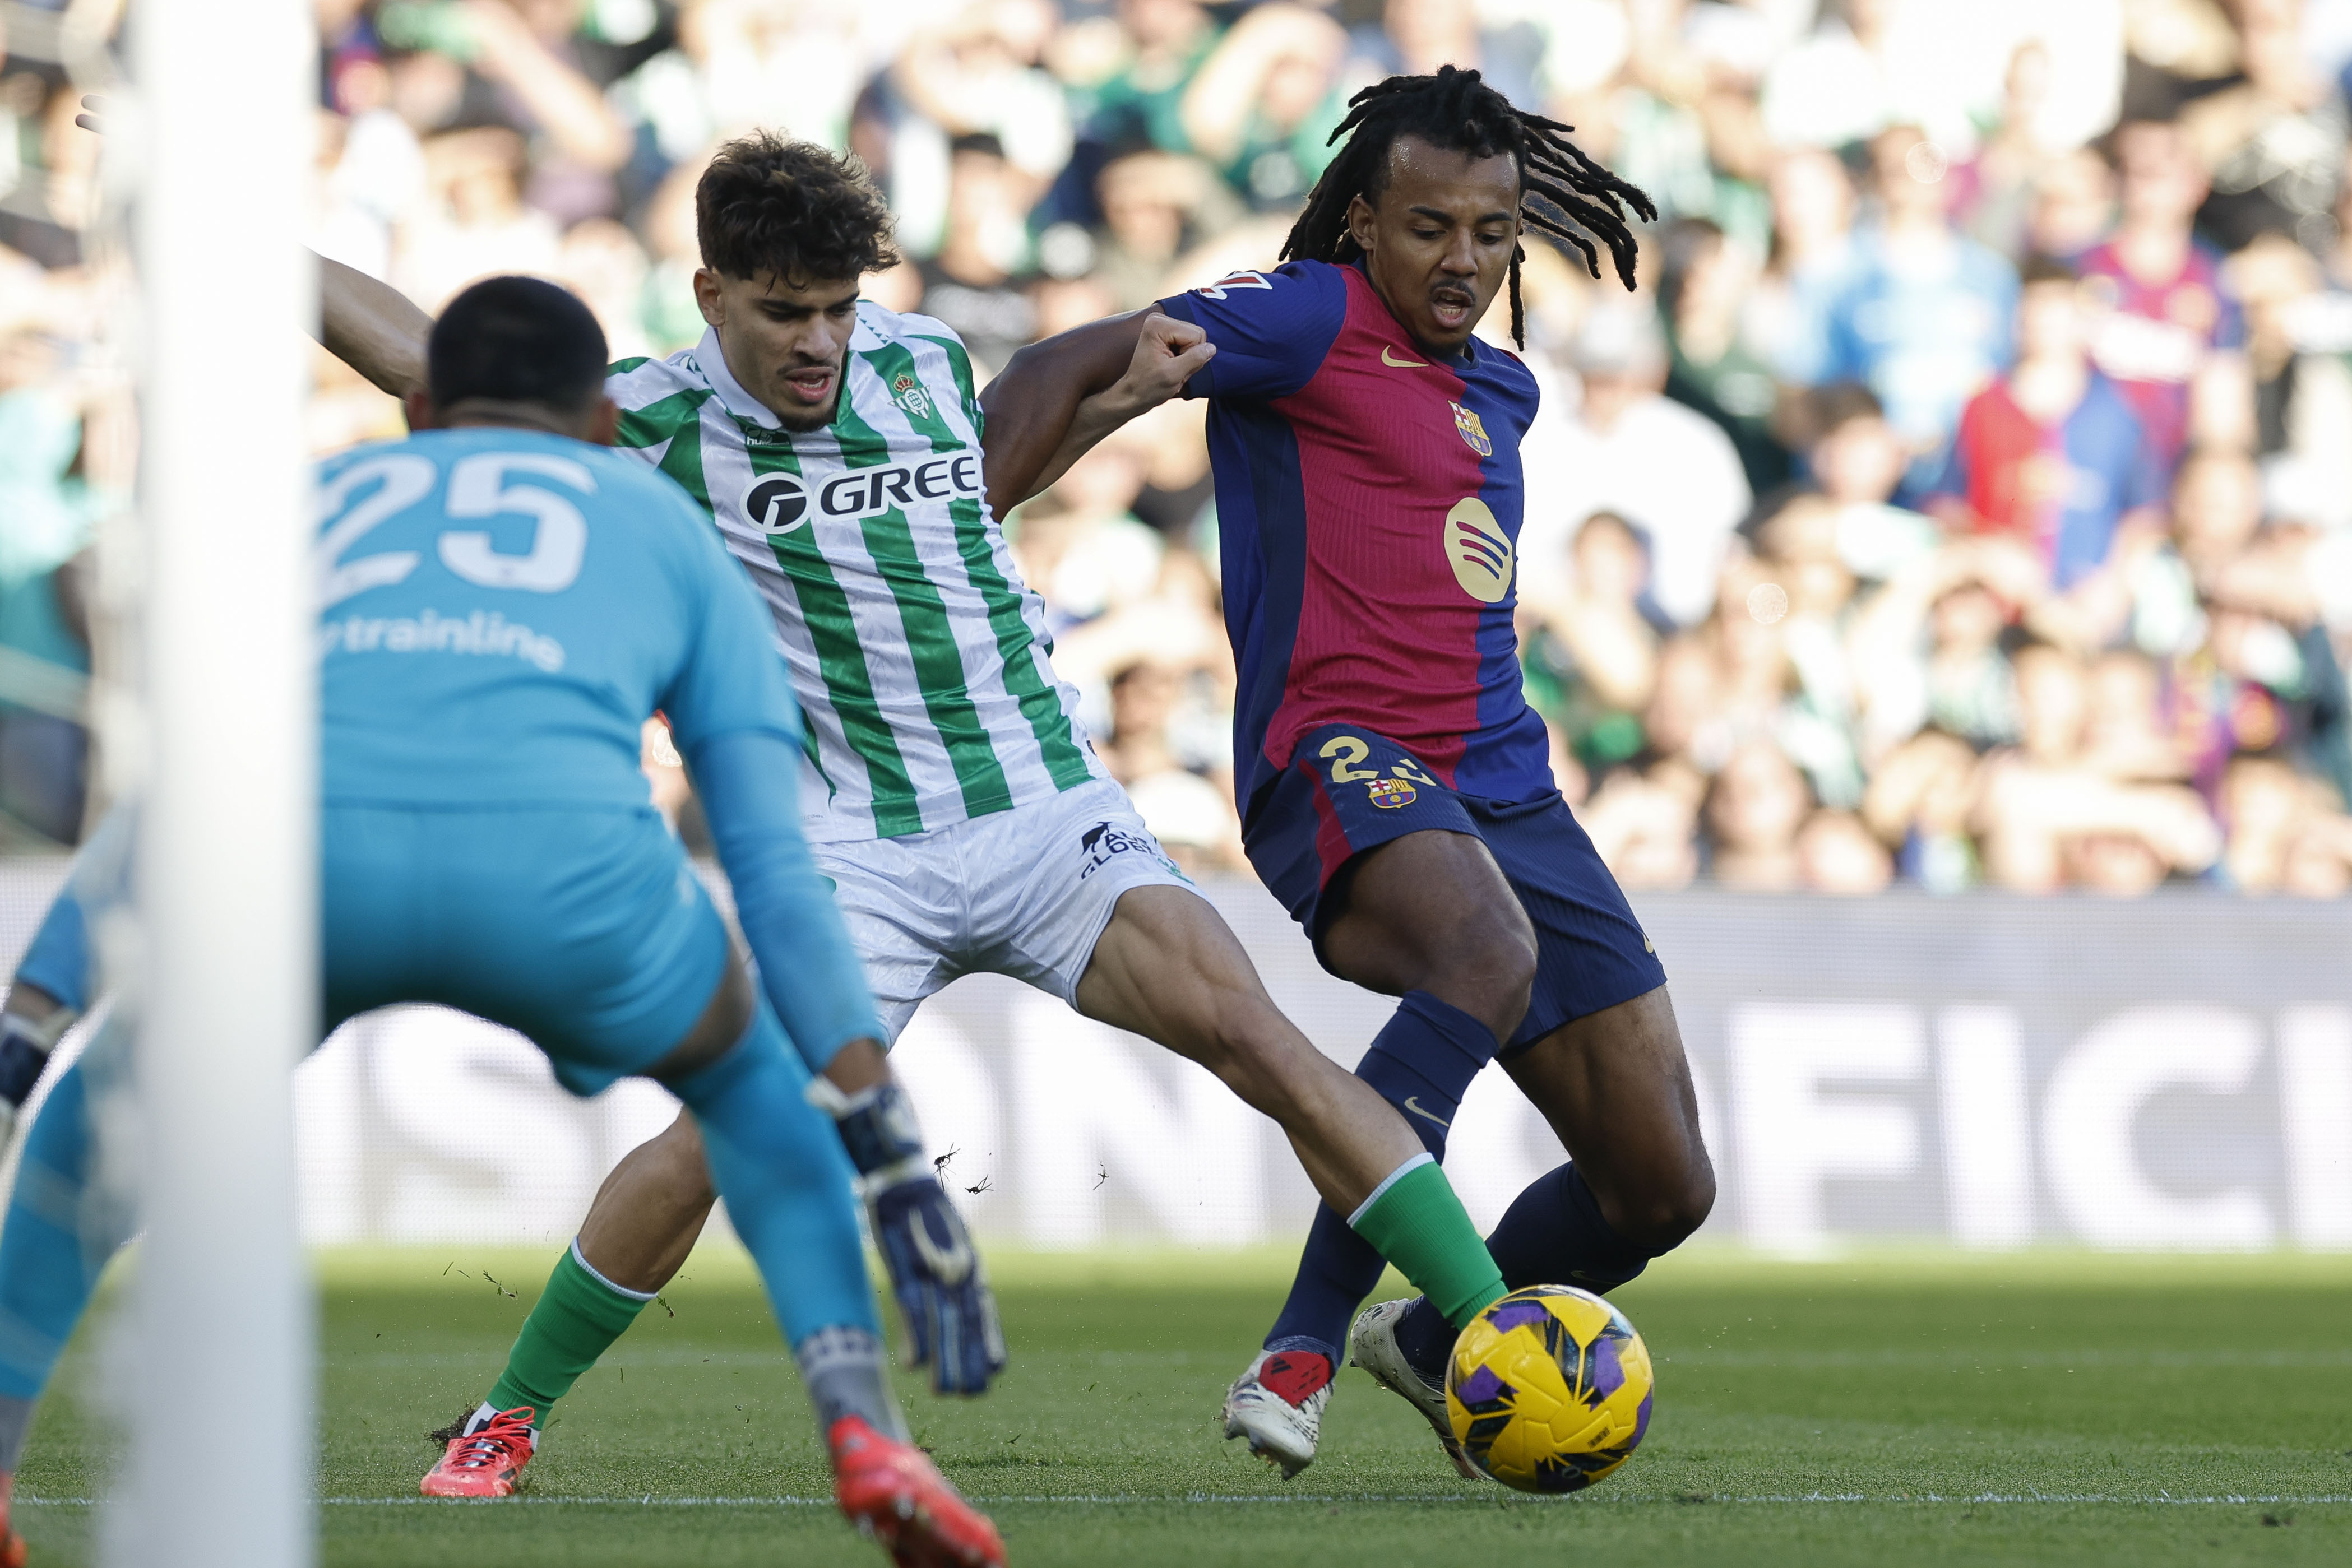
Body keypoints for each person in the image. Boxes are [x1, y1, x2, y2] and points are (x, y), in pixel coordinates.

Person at [313, 132, 1513, 1485]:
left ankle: (1494, 1325)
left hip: (1042, 807)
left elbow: (963, 505)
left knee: (1265, 1044)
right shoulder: (646, 424)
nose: (820, 341)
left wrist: (1112, 405)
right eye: (784, 313)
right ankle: (506, 1415)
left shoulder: (925, 360)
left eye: (838, 306)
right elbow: (429, 363)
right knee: (721, 1141)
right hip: (850, 856)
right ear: (712, 298)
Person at [0, 278, 1006, 1568]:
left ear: (420, 410)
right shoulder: (664, 516)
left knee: (104, 1110)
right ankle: (867, 1436)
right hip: (572, 877)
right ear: (600, 419)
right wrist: (874, 1126)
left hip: (315, 874)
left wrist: (36, 1016)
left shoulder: (314, 507)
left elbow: (184, 787)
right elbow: (766, 859)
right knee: (756, 1098)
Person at [979, 66, 1717, 1478]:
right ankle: (1305, 1338)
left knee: (1659, 1184)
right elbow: (1065, 363)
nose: (1464, 260)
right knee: (1479, 952)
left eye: (1493, 232)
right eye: (1430, 226)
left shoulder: (1502, 389)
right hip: (1338, 757)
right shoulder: (1300, 317)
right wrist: (973, 507)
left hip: (1509, 786)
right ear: (1366, 223)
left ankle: (1431, 1349)